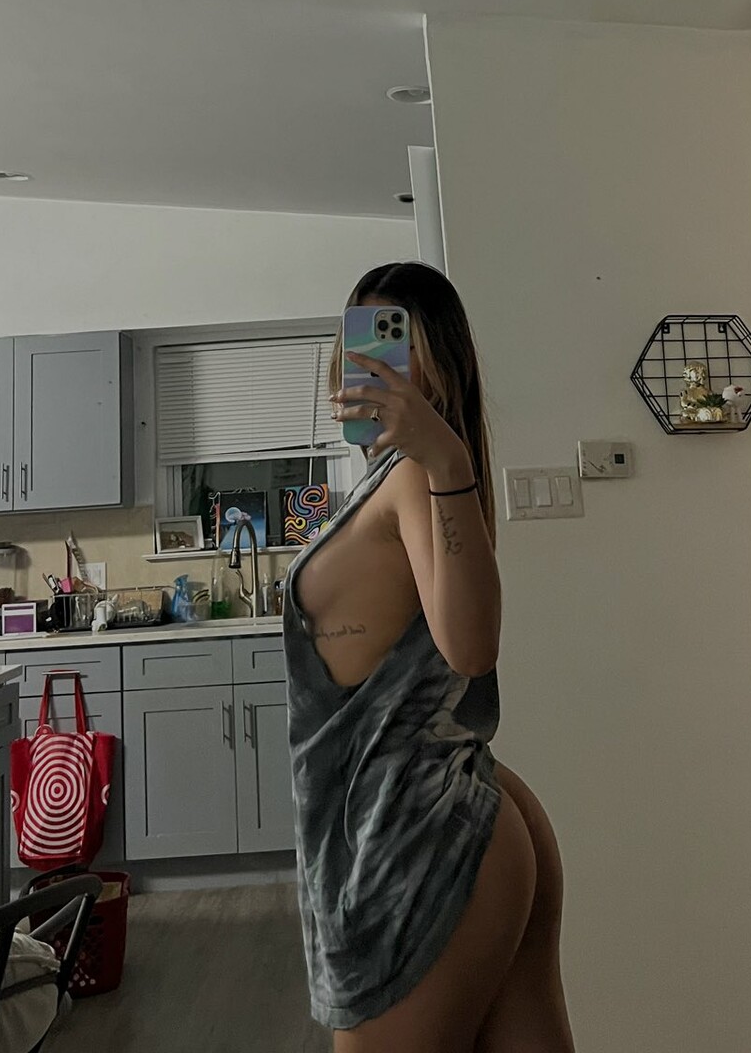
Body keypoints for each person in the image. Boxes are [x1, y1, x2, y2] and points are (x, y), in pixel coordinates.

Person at [282, 261, 576, 1051]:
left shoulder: (422, 477)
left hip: (413, 832)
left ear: (439, 362)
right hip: (456, 812)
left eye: (392, 341)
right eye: (357, 341)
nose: (365, 364)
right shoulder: (391, 482)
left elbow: (471, 649)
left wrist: (445, 460)